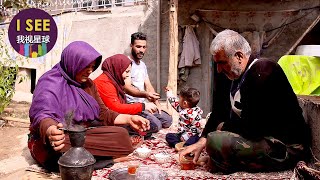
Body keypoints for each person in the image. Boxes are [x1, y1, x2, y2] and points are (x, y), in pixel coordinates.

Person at [180, 29, 311, 173]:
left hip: (285, 145)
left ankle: (224, 162)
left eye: (222, 63)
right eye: (216, 63)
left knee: (216, 140)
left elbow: (254, 129)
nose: (218, 69)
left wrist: (222, 128)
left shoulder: (263, 71)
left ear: (239, 56)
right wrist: (201, 141)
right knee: (211, 131)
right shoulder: (232, 76)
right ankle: (222, 159)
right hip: (261, 137)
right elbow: (219, 112)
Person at [28, 41, 150, 172]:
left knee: (121, 136)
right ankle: (106, 160)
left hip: (80, 134)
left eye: (93, 67)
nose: (90, 71)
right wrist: (51, 131)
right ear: (73, 63)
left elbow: (104, 114)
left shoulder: (88, 84)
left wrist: (129, 119)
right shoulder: (50, 83)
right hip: (55, 139)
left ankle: (87, 160)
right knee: (58, 150)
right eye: (86, 67)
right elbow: (42, 114)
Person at [123, 32, 172, 131]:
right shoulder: (126, 63)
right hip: (132, 105)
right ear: (131, 46)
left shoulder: (142, 65)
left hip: (144, 104)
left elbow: (148, 86)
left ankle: (147, 117)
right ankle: (129, 124)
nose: (141, 50)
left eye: (144, 47)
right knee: (156, 125)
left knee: (168, 120)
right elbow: (127, 88)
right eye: (138, 47)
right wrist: (146, 96)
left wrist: (158, 105)